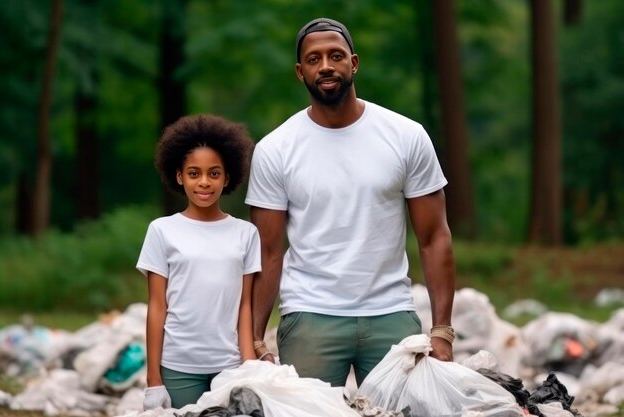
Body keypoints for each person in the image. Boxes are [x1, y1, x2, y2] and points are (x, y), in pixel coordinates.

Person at [245, 17, 456, 388]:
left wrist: (442, 330)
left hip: (390, 312)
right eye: (314, 59)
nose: (325, 66)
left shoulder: (406, 136)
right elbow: (267, 250)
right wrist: (255, 338)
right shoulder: (275, 149)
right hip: (310, 317)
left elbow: (434, 237)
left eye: (335, 55)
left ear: (353, 63)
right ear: (300, 72)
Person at [137, 114, 261, 409]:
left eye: (214, 173)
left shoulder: (245, 234)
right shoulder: (161, 230)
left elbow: (244, 305)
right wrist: (153, 379)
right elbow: (157, 307)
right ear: (179, 176)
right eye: (194, 173)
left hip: (229, 366)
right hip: (178, 366)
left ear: (227, 177)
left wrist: (249, 364)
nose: (204, 182)